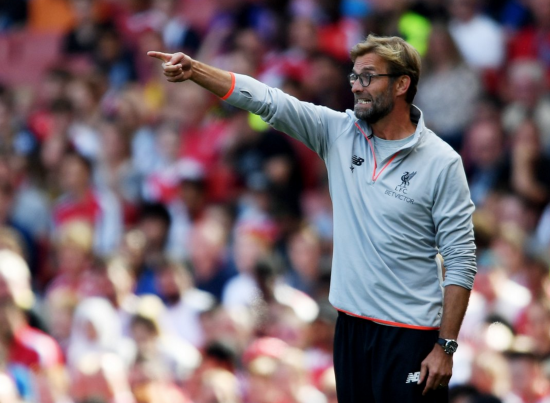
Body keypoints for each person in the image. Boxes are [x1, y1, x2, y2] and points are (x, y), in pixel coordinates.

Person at [148, 34, 477, 402]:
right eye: (354, 76)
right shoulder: (338, 132)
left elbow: (461, 259)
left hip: (411, 335)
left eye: (368, 77)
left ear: (402, 84)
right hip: (351, 329)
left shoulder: (442, 162)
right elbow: (269, 101)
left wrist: (445, 346)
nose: (356, 86)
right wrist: (196, 71)